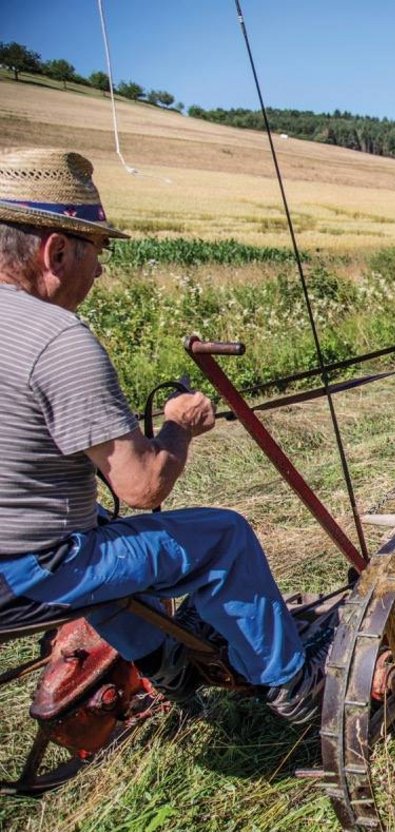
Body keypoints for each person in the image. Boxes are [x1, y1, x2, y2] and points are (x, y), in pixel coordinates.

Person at [0, 148, 329, 723]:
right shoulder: (57, 340)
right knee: (224, 536)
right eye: (97, 250)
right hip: (28, 570)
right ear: (55, 250)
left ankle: (164, 661)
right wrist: (178, 425)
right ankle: (292, 683)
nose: (100, 269)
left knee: (106, 533)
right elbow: (143, 487)